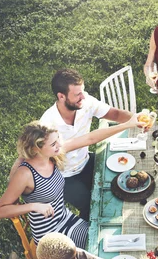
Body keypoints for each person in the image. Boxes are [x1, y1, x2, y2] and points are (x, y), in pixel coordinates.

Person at [0, 117, 139, 248]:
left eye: (58, 140)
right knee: (101, 244)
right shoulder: (25, 174)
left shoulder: (52, 155)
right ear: (36, 149)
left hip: (66, 219)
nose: (58, 145)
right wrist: (33, 206)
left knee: (106, 233)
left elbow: (90, 139)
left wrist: (127, 124)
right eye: (53, 143)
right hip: (49, 234)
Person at [40, 68, 136, 220]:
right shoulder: (47, 125)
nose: (83, 97)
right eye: (77, 94)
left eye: (82, 91)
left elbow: (115, 114)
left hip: (85, 161)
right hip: (64, 176)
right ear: (61, 96)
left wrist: (137, 119)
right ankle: (88, 239)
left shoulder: (86, 102)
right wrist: (128, 125)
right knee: (91, 208)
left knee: (119, 184)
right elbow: (88, 140)